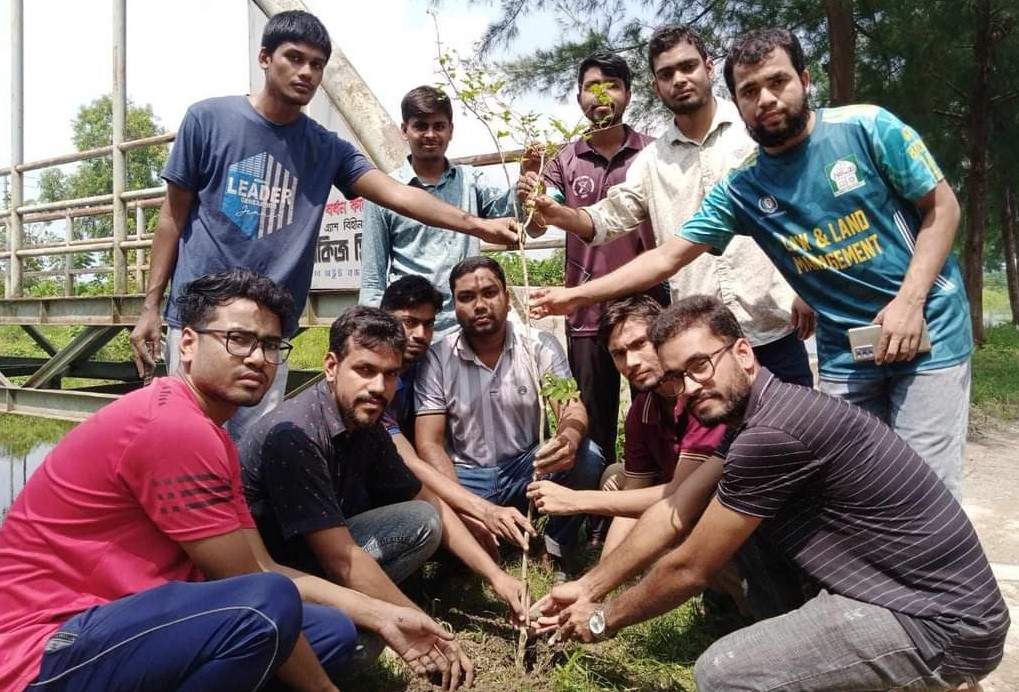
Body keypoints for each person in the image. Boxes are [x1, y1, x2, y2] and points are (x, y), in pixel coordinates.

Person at [531, 28, 972, 496]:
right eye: (750, 91)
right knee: (846, 483)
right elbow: (664, 255)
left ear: (804, 79)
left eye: (777, 82)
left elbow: (940, 207)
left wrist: (905, 300)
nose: (765, 99)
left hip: (883, 330)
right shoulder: (730, 183)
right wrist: (574, 288)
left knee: (921, 488)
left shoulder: (860, 128)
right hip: (827, 348)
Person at [0, 270, 464, 692]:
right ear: (186, 345)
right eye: (238, 339)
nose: (258, 358)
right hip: (47, 648)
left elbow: (264, 569)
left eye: (270, 345)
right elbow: (258, 591)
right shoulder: (173, 427)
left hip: (130, 621)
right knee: (270, 609)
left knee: (335, 634)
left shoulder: (213, 436)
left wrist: (388, 617)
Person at [535, 295, 1009, 691]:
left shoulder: (773, 434)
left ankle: (943, 678)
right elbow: (677, 509)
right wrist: (586, 586)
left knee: (724, 674)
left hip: (939, 620)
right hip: (898, 591)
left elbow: (690, 567)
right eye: (678, 376)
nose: (692, 386)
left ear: (743, 353)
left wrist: (603, 619)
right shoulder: (756, 416)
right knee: (738, 530)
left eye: (701, 365)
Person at [129, 10, 519, 442]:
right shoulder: (208, 120)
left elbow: (399, 194)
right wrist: (151, 307)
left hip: (270, 328)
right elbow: (172, 215)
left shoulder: (326, 148)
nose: (306, 72)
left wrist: (477, 224)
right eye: (294, 58)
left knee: (256, 445)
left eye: (316, 64)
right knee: (183, 438)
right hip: (201, 321)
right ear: (264, 57)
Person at [520, 25, 814, 387]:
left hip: (774, 325)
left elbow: (805, 202)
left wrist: (808, 283)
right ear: (655, 85)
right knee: (713, 443)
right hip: (698, 341)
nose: (679, 79)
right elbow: (608, 219)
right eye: (666, 74)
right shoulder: (651, 161)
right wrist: (558, 214)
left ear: (709, 67)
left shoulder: (752, 131)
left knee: (797, 435)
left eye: (688, 67)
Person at [240, 306, 524, 675]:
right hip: (273, 581)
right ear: (330, 366)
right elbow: (341, 560)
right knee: (361, 646)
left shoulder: (366, 420)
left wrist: (497, 578)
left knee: (422, 520)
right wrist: (422, 627)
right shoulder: (295, 435)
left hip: (320, 554)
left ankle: (372, 610)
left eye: (390, 375)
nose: (378, 387)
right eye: (365, 370)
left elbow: (429, 503)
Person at [519, 51, 666, 480]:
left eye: (611, 86)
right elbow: (532, 228)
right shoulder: (564, 160)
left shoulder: (654, 154)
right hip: (583, 312)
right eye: (591, 87)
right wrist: (528, 183)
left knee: (656, 405)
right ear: (578, 97)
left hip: (647, 308)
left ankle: (653, 496)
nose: (601, 96)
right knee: (594, 415)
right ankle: (597, 511)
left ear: (629, 94)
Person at [414, 256, 606, 574]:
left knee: (588, 456)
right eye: (466, 297)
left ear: (506, 296)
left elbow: (571, 406)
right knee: (425, 492)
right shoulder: (437, 359)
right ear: (455, 305)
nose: (480, 305)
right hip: (467, 478)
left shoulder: (539, 345)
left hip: (526, 471)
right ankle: (475, 540)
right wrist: (467, 506)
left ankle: (557, 548)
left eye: (490, 292)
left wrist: (569, 439)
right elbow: (429, 445)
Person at [526, 295, 725, 558]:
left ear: (666, 335)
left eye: (640, 344)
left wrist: (576, 500)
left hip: (723, 503)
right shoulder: (642, 410)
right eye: (619, 353)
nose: (631, 362)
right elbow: (635, 492)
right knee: (614, 477)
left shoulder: (699, 395)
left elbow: (682, 492)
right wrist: (600, 581)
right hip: (676, 495)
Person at [378, 276, 538, 559]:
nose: (419, 334)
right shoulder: (376, 381)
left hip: (429, 476)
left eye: (428, 324)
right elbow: (411, 459)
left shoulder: (423, 366)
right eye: (408, 322)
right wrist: (477, 511)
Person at [360, 86, 517, 335]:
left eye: (439, 126)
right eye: (421, 126)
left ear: (450, 130)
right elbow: (372, 280)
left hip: (465, 326)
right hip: (412, 329)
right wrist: (374, 334)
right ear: (404, 130)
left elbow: (511, 211)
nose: (430, 134)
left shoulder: (470, 181)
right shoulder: (385, 193)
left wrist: (530, 181)